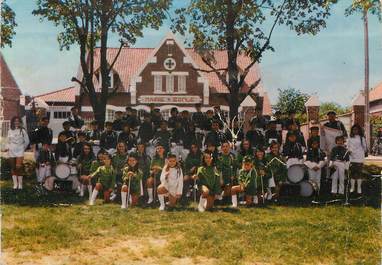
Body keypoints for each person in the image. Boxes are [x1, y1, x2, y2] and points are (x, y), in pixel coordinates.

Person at [4, 116, 30, 190]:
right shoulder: (9, 131)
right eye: (15, 121)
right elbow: (8, 141)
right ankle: (15, 184)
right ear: (13, 122)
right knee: (13, 168)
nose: (16, 122)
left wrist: (23, 148)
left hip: (20, 150)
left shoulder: (23, 130)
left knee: (19, 167)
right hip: (11, 150)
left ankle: (20, 184)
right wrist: (7, 147)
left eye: (18, 121)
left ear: (20, 122)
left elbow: (27, 141)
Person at [347, 124, 367, 195]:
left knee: (359, 173)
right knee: (352, 173)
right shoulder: (350, 137)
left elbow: (365, 148)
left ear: (359, 130)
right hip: (352, 158)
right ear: (352, 130)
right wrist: (349, 151)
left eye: (356, 129)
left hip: (359, 158)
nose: (355, 130)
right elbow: (347, 146)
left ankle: (359, 188)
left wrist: (359, 152)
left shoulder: (362, 138)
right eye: (354, 129)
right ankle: (352, 188)